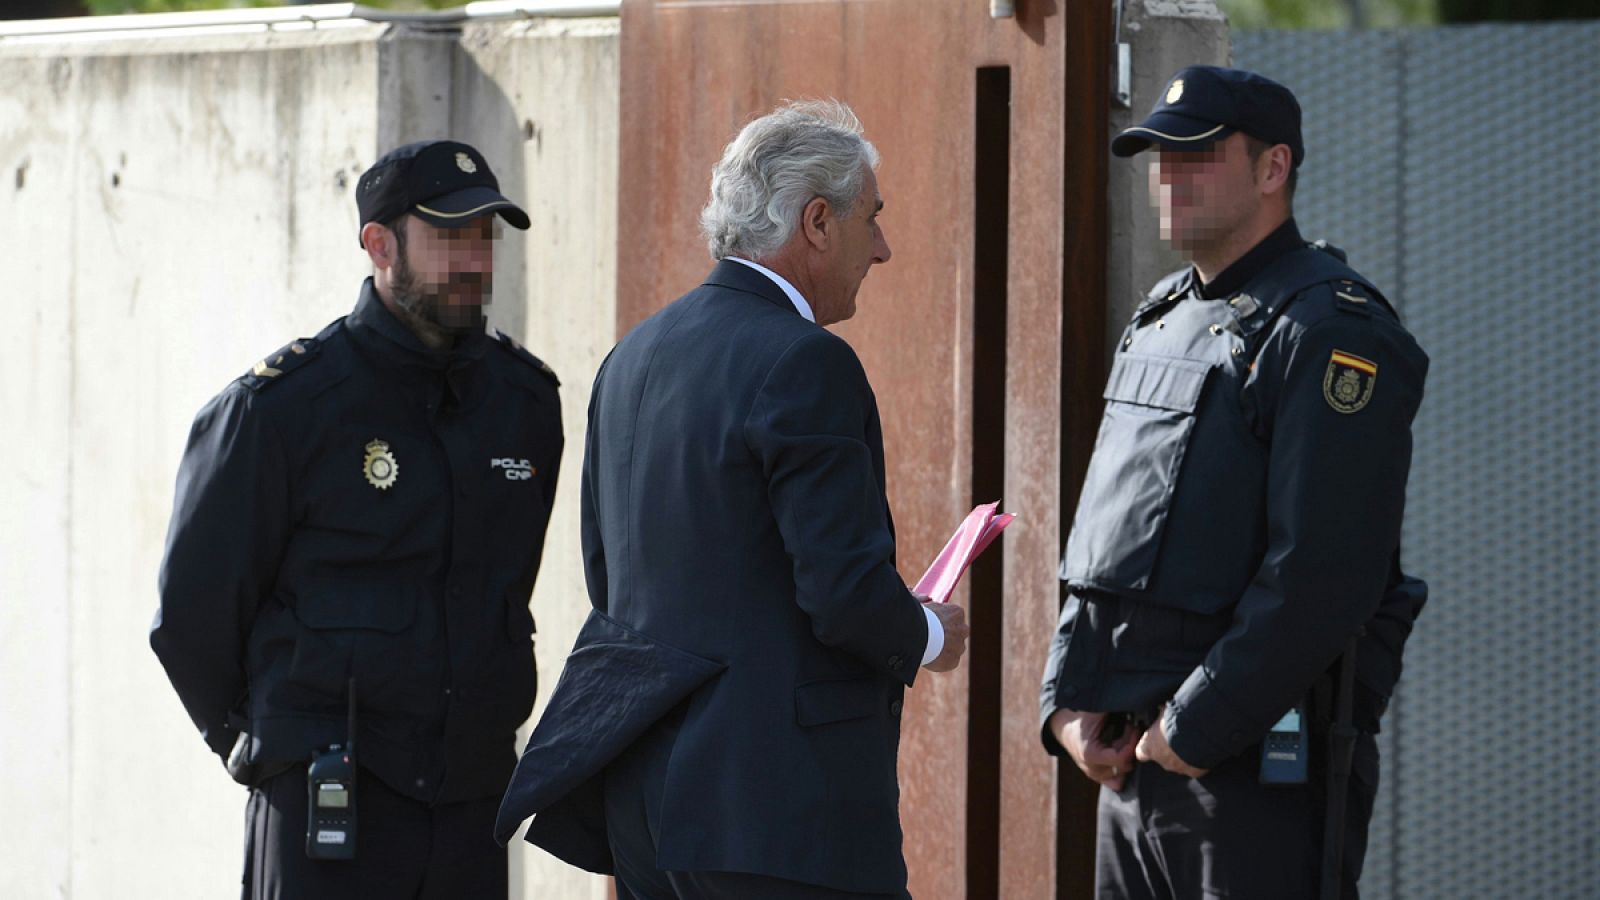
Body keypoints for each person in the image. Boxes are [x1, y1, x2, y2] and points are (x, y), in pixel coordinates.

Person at [494, 100, 969, 899]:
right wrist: (926, 631)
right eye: (872, 219)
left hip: (651, 807)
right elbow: (843, 594)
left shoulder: (633, 355)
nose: (882, 248)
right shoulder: (806, 361)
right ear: (817, 222)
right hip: (780, 814)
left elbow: (612, 580)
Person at [1039, 66, 1430, 899]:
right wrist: (1066, 705)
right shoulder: (1159, 319)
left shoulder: (1330, 331)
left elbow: (1323, 574)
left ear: (1272, 168)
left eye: (1197, 156)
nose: (1169, 177)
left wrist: (1195, 724)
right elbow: (1100, 542)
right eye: (1159, 158)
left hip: (1252, 774)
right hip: (1134, 764)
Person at [151, 139, 562, 899]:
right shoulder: (280, 409)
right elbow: (192, 617)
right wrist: (263, 742)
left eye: (485, 236)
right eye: (448, 236)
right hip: (327, 805)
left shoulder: (526, 404)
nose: (474, 259)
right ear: (379, 243)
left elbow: (504, 591)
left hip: (471, 806)